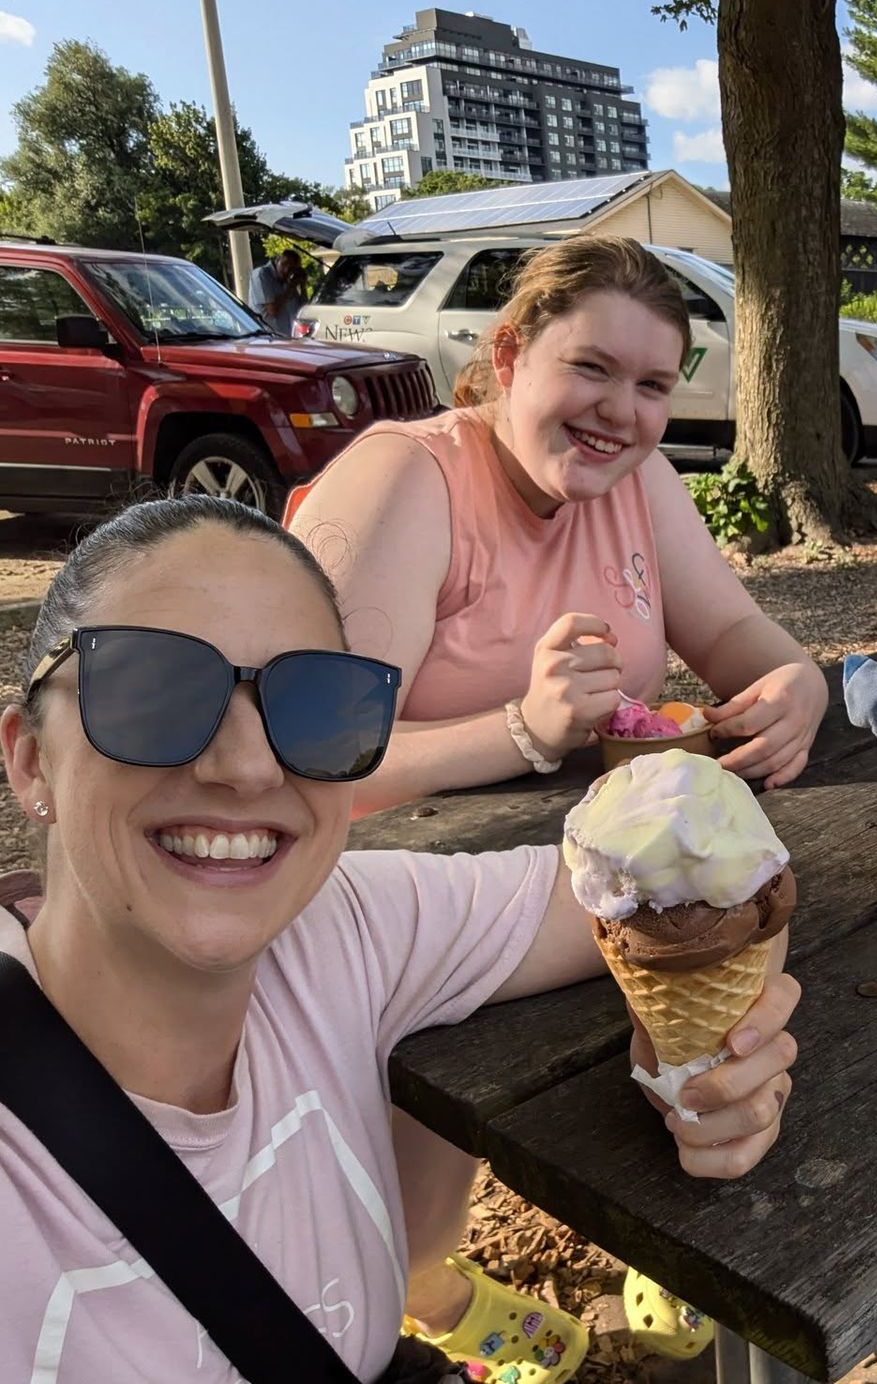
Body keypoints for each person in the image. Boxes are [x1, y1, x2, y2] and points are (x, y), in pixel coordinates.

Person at [0, 495, 801, 1383]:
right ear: (30, 756)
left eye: (315, 705)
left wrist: (687, 1058)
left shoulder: (335, 930)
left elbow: (701, 881)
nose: (246, 766)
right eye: (152, 692)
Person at [289, 234, 827, 1369]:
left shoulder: (645, 484)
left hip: (586, 882)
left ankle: (660, 1239)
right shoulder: (406, 476)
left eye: (649, 386)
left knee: (724, 958)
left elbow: (732, 636)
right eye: (591, 369)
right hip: (398, 899)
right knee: (427, 1164)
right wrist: (522, 728)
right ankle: (431, 1294)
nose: (619, 412)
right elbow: (306, 757)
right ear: (507, 351)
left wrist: (797, 683)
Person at [247, 248, 306, 337]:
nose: (286, 270)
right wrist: (291, 288)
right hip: (268, 337)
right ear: (277, 260)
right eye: (284, 264)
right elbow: (272, 310)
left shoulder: (288, 283)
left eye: (292, 268)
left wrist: (302, 285)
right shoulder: (262, 274)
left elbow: (303, 310)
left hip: (288, 337)